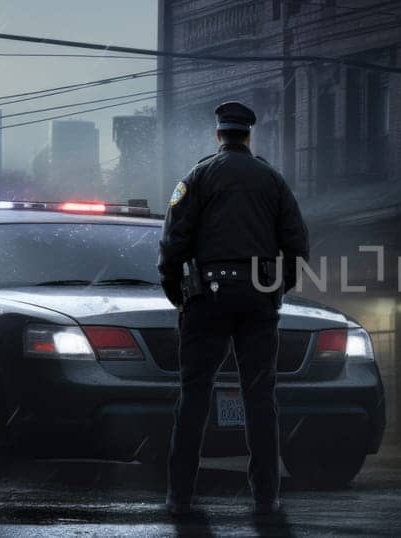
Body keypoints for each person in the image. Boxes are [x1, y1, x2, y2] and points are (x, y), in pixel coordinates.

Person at [158, 101, 309, 516]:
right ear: (248, 135)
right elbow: (297, 245)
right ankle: (266, 496)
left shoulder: (197, 177)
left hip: (207, 298)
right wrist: (276, 290)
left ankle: (180, 495)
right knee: (260, 398)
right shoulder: (273, 180)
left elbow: (173, 244)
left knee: (193, 398)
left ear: (218, 134)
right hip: (258, 300)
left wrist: (175, 291)